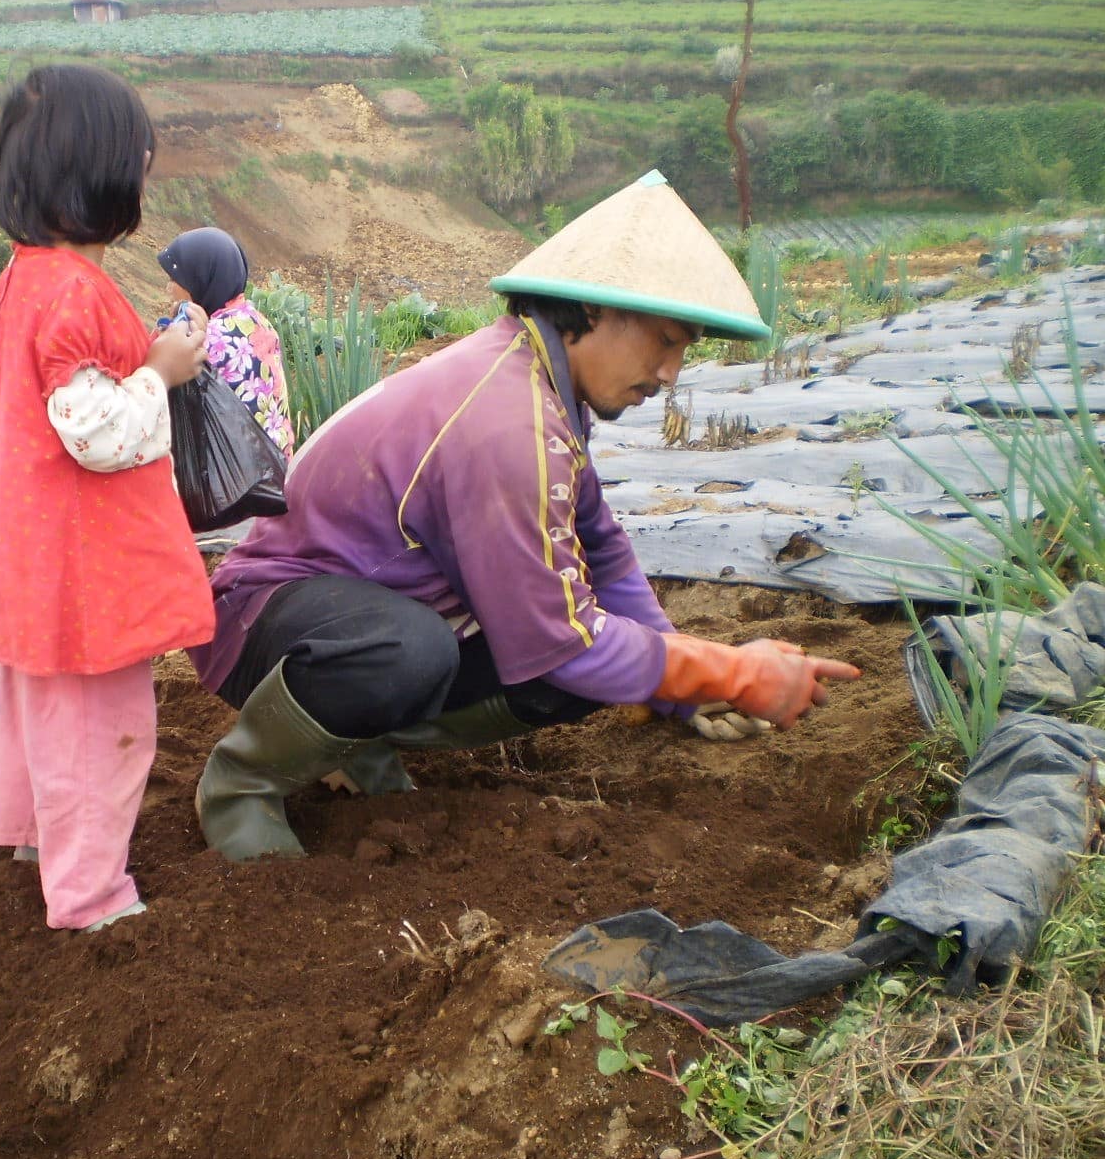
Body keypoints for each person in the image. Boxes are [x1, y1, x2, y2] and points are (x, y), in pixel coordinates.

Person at [187, 170, 862, 862]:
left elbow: (603, 548)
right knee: (420, 649)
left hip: (361, 613)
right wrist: (730, 673)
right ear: (595, 311)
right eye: (666, 341)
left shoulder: (540, 381)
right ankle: (243, 784)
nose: (670, 374)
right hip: (263, 622)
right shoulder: (505, 421)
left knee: (592, 658)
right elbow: (564, 640)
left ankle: (359, 739)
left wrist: (679, 691)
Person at [0, 64, 215, 929]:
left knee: (38, 714)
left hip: (29, 556)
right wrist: (161, 368)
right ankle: (89, 896)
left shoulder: (25, 276)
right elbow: (97, 433)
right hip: (85, 574)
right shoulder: (76, 289)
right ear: (105, 171)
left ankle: (35, 839)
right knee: (101, 736)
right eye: (139, 157)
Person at [158, 226, 295, 459]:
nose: (168, 288)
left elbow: (160, 390)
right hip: (277, 465)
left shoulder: (212, 337)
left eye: (175, 279)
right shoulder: (253, 319)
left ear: (201, 278)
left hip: (238, 478)